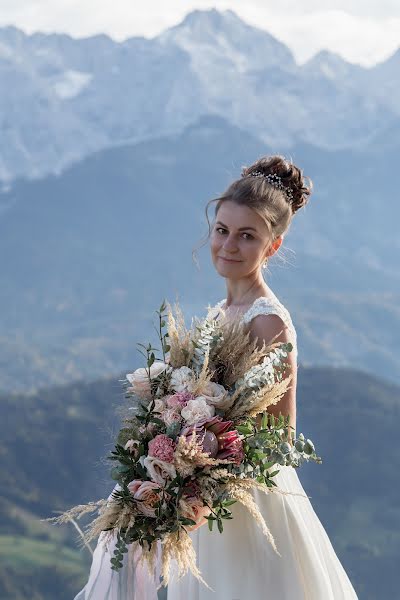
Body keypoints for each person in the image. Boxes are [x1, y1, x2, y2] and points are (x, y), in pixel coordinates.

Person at [74, 155, 359, 599]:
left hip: (246, 505)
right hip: (205, 505)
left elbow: (281, 436)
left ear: (273, 246)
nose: (228, 245)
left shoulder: (268, 321)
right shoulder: (222, 314)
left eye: (247, 236)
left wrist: (203, 469)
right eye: (222, 230)